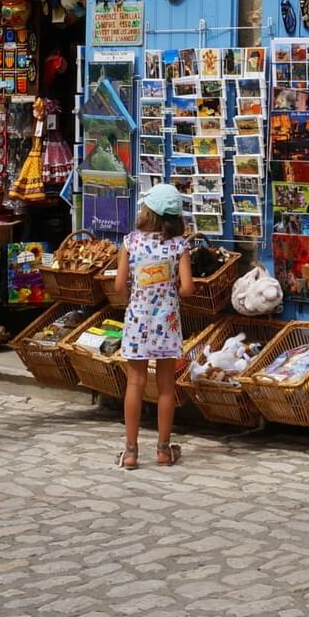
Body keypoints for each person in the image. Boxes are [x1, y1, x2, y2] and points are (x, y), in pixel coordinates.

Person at [113, 184, 193, 469]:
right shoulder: (179, 246)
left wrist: (133, 298)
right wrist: (168, 286)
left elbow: (119, 285)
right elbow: (187, 288)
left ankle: (131, 451)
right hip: (167, 323)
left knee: (134, 383)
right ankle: (162, 449)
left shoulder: (130, 242)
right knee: (166, 386)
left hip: (137, 320)